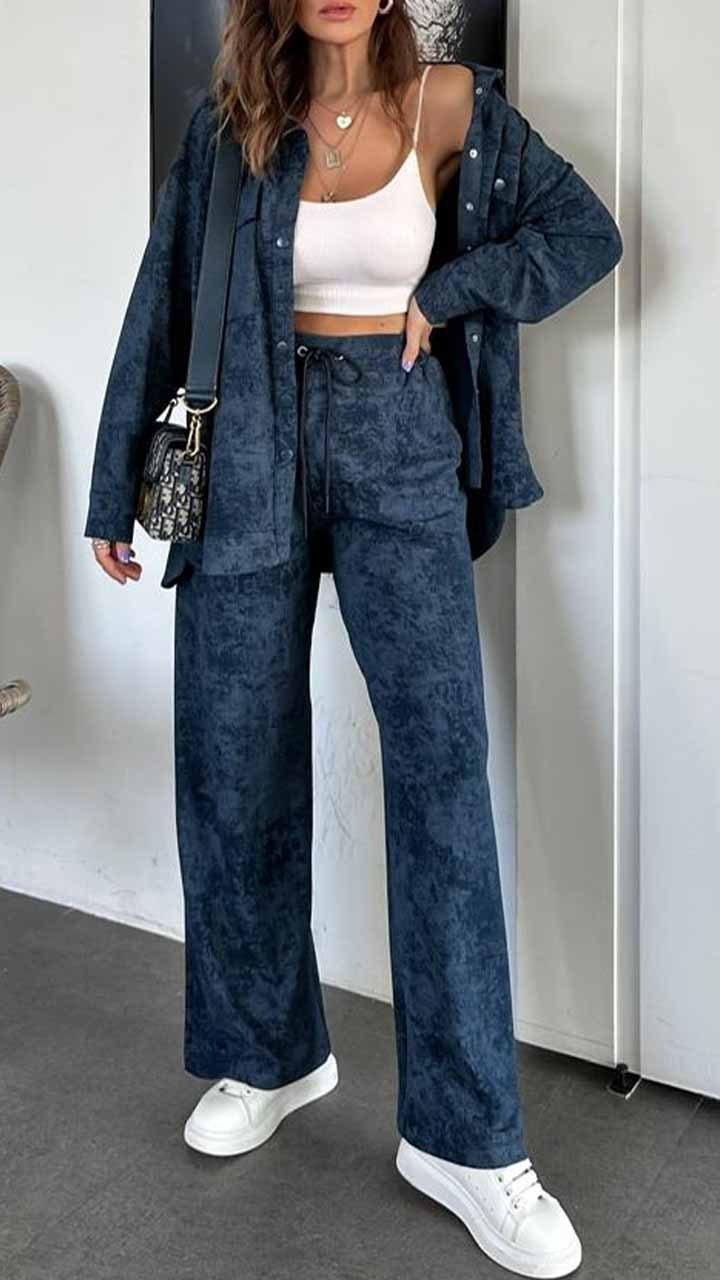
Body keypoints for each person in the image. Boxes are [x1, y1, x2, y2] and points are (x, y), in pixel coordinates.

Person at [85, 2, 623, 1275]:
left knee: (442, 780)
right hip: (246, 459)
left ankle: (468, 1138)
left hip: (399, 446)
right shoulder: (229, 124)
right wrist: (116, 489)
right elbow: (164, 291)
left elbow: (583, 234)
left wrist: (454, 287)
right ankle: (265, 1054)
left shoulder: (454, 107)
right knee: (233, 766)